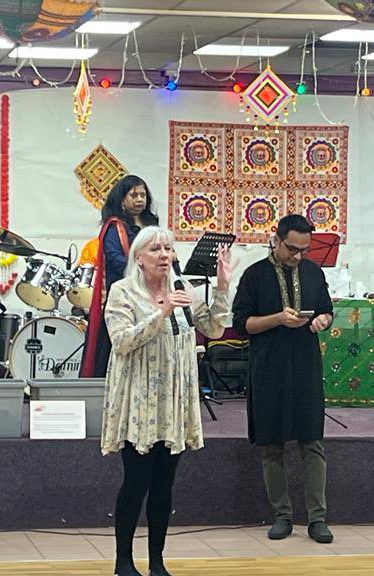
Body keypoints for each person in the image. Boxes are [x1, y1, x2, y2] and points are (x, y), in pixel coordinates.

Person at [101, 226, 233, 576]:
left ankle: (157, 561)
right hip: (139, 402)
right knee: (136, 483)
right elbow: (122, 341)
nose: (164, 255)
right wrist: (160, 314)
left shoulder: (183, 288)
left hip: (173, 401)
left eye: (168, 249)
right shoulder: (122, 292)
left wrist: (222, 286)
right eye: (156, 249)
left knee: (164, 486)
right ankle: (124, 561)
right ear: (139, 259)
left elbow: (216, 328)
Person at [232, 215, 335, 544]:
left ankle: (317, 518)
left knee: (312, 442)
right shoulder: (255, 275)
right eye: (292, 249)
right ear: (275, 240)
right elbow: (241, 324)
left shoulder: (313, 272)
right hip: (268, 365)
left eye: (305, 250)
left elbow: (327, 310)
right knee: (271, 444)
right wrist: (277, 319)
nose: (298, 256)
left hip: (305, 362)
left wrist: (321, 320)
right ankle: (282, 515)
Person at [81, 175, 160, 378]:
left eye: (143, 194)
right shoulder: (113, 227)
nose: (140, 199)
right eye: (134, 195)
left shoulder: (151, 225)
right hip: (124, 298)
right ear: (121, 198)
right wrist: (147, 268)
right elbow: (115, 259)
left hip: (153, 297)